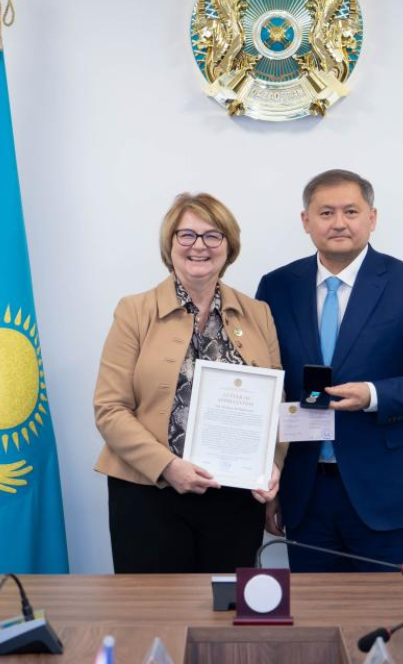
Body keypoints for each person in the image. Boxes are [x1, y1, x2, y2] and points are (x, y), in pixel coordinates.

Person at [255, 170, 403, 571]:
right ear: (306, 221)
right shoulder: (277, 286)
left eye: (351, 211)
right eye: (326, 213)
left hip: (388, 491)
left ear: (372, 217)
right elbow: (267, 384)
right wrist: (269, 480)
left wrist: (374, 395)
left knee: (389, 609)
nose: (339, 223)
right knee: (315, 608)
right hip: (305, 492)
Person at [93, 193, 284, 573]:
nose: (199, 246)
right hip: (149, 493)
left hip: (235, 498)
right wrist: (167, 466)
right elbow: (109, 409)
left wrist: (272, 464)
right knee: (154, 606)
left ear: (229, 246)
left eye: (213, 235)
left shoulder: (258, 313)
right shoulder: (134, 311)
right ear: (170, 243)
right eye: (187, 235)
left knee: (227, 605)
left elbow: (277, 404)